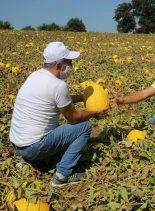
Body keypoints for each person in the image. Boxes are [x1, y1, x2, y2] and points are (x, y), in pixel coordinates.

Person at [9, 41, 107, 187]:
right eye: (69, 62)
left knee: (57, 127)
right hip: (33, 147)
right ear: (58, 65)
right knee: (84, 127)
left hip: (17, 144)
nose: (72, 66)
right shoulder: (58, 85)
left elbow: (60, 100)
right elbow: (73, 118)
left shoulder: (35, 76)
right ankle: (62, 176)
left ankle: (29, 159)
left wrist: (83, 97)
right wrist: (94, 113)